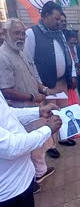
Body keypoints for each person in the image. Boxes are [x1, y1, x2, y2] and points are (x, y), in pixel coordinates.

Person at [0, 18, 58, 187]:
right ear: (5, 34)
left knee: (39, 144)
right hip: (21, 109)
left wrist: (44, 90)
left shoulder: (21, 52)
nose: (21, 37)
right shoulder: (3, 57)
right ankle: (34, 178)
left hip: (34, 106)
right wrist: (32, 98)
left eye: (23, 33)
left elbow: (32, 78)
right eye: (17, 33)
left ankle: (38, 172)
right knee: (31, 145)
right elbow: (5, 90)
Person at [23, 1, 77, 159]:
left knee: (62, 111)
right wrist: (41, 86)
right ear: (45, 16)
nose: (58, 22)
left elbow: (68, 56)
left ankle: (64, 137)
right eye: (55, 19)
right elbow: (29, 63)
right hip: (45, 85)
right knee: (48, 114)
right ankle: (50, 145)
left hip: (61, 82)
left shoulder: (59, 33)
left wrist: (72, 74)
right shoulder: (32, 34)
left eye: (60, 19)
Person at [0, 91, 62, 207]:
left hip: (22, 179)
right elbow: (10, 147)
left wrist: (38, 111)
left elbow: (7, 113)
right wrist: (47, 130)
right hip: (8, 192)